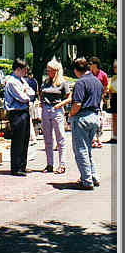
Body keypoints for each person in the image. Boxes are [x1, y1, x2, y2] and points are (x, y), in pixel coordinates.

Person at [69, 57, 103, 190]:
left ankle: (86, 180)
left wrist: (71, 114)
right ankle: (93, 176)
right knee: (88, 149)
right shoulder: (97, 82)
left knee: (80, 150)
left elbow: (77, 104)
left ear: (76, 70)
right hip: (94, 116)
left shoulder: (80, 83)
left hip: (82, 117)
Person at [4, 58, 35, 177]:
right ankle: (16, 167)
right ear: (18, 69)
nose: (26, 72)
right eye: (24, 69)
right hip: (16, 112)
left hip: (24, 111)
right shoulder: (12, 81)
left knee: (25, 139)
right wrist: (26, 93)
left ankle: (23, 165)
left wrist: (27, 92)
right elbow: (23, 97)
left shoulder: (21, 80)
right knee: (18, 140)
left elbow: (32, 93)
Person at [39, 58, 71, 174]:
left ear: (56, 71)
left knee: (60, 138)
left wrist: (60, 105)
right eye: (47, 70)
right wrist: (42, 103)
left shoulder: (63, 82)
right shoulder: (46, 82)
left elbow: (69, 97)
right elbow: (41, 93)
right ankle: (49, 164)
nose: (48, 72)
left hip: (57, 110)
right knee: (47, 138)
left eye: (50, 70)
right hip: (46, 109)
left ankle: (62, 164)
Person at [89, 56, 108, 148]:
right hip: (90, 100)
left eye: (91, 64)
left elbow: (105, 87)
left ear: (96, 64)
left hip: (99, 99)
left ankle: (99, 138)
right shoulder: (89, 74)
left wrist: (102, 97)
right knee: (91, 118)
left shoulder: (103, 75)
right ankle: (92, 139)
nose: (90, 66)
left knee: (99, 119)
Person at [23, 66, 38, 144]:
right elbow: (37, 92)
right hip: (33, 102)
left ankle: (31, 138)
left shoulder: (25, 81)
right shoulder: (34, 81)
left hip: (26, 102)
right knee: (31, 120)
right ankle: (32, 137)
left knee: (28, 121)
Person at [107, 59, 117, 143]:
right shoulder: (113, 77)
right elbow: (109, 88)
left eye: (116, 67)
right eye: (114, 67)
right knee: (114, 118)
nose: (114, 69)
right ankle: (115, 136)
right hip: (114, 97)